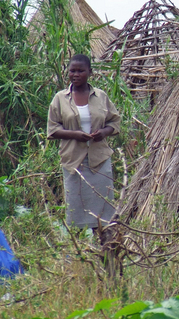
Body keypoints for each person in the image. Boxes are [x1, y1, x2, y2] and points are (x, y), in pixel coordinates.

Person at [47, 54, 121, 231]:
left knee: (104, 213)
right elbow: (52, 129)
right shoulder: (60, 98)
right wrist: (75, 134)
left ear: (90, 72)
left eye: (81, 71)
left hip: (100, 161)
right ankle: (79, 252)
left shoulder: (101, 96)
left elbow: (115, 122)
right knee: (75, 211)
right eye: (72, 71)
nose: (76, 74)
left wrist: (103, 132)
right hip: (73, 162)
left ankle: (104, 250)